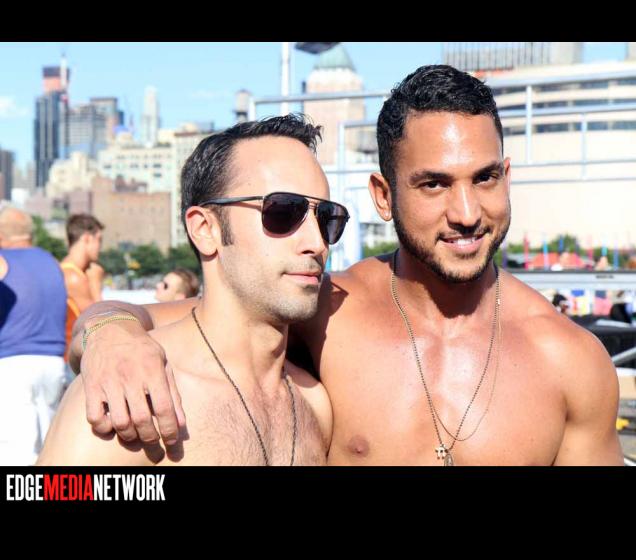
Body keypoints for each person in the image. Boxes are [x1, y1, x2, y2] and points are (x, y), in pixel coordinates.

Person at [68, 65, 623, 466]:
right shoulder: (328, 311)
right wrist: (111, 336)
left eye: (484, 178)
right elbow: (163, 320)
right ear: (383, 196)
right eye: (433, 184)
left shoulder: (570, 361)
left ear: (506, 175)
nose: (467, 212)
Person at [37, 114, 340, 465]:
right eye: (283, 211)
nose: (317, 243)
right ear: (205, 229)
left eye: (327, 218)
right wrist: (106, 331)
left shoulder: (315, 404)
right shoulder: (131, 398)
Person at [0, 206, 67, 465]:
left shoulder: (3, 261)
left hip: (13, 363)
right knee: (47, 450)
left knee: (15, 452)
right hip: (53, 364)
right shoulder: (51, 261)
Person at [60, 214, 105, 362]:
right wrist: (96, 285)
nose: (100, 247)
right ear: (87, 238)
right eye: (99, 240)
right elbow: (99, 321)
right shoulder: (73, 277)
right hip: (72, 359)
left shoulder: (69, 271)